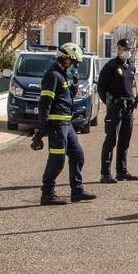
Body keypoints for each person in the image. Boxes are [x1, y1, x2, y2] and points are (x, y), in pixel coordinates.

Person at [34, 43, 96, 205]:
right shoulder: (53, 75)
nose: (74, 66)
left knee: (77, 155)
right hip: (56, 125)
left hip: (66, 124)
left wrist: (74, 87)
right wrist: (41, 129)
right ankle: (47, 194)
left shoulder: (62, 76)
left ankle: (77, 191)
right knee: (57, 160)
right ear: (65, 59)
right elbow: (45, 102)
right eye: (73, 62)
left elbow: (64, 98)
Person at [97, 39, 138, 184]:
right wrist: (109, 103)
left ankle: (121, 171)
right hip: (115, 107)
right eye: (125, 48)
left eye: (129, 48)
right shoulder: (111, 66)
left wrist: (133, 100)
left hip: (128, 107)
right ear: (119, 49)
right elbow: (101, 87)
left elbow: (129, 87)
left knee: (125, 140)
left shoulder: (131, 66)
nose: (127, 51)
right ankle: (105, 173)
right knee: (111, 139)